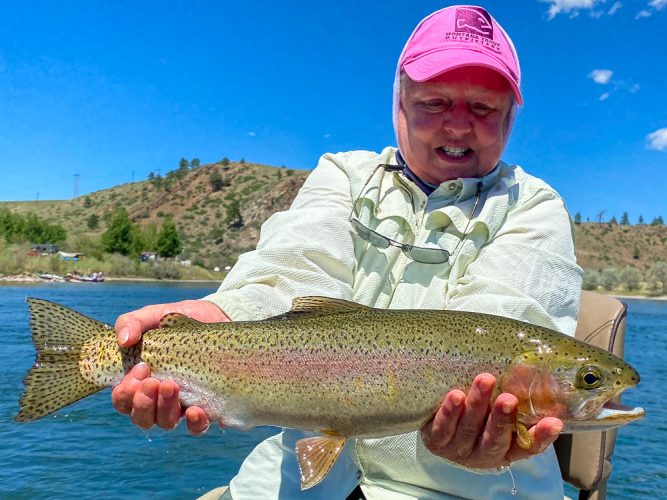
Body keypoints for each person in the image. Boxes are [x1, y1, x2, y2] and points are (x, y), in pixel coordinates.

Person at [112, 5, 582, 499]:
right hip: (299, 482)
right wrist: (220, 314)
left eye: (483, 108)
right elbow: (296, 270)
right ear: (398, 101)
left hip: (468, 489)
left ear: (511, 116)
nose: (458, 126)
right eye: (435, 102)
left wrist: (488, 409)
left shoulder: (534, 205)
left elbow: (498, 324)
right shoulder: (343, 174)